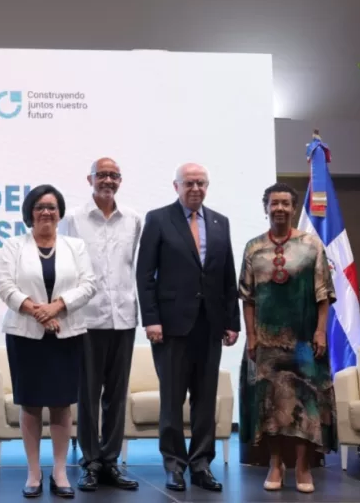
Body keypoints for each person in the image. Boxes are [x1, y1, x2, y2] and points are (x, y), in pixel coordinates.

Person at [135, 162, 240, 493]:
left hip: (210, 325)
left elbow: (227, 276)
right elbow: (144, 274)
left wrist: (232, 322)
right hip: (170, 327)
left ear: (207, 186)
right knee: (171, 400)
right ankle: (174, 465)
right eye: (189, 183)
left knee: (205, 400)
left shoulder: (220, 221)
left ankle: (201, 464)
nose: (196, 188)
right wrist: (151, 319)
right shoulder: (158, 219)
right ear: (176, 186)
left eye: (201, 183)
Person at [0, 184, 96, 499]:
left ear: (60, 213)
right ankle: (34, 472)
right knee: (30, 405)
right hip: (25, 335)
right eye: (40, 207)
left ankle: (60, 472)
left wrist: (57, 307)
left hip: (67, 334)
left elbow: (89, 285)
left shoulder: (75, 246)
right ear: (30, 212)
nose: (46, 212)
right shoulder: (13, 245)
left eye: (52, 207)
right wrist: (38, 312)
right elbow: (4, 284)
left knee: (62, 405)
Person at [239, 182, 337, 494]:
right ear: (266, 208)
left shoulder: (311, 245)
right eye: (274, 203)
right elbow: (248, 298)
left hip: (305, 340)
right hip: (266, 341)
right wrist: (251, 336)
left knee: (305, 402)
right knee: (271, 405)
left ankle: (303, 467)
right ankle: (276, 464)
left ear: (294, 208)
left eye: (285, 203)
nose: (279, 208)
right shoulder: (253, 248)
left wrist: (320, 331)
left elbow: (324, 294)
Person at [61, 158, 142, 492]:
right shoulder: (73, 219)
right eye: (102, 175)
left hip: (123, 317)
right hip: (87, 319)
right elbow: (65, 267)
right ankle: (90, 462)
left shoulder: (133, 219)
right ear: (90, 179)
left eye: (113, 175)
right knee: (88, 395)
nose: (107, 180)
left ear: (120, 181)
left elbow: (134, 265)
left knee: (117, 397)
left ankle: (110, 461)